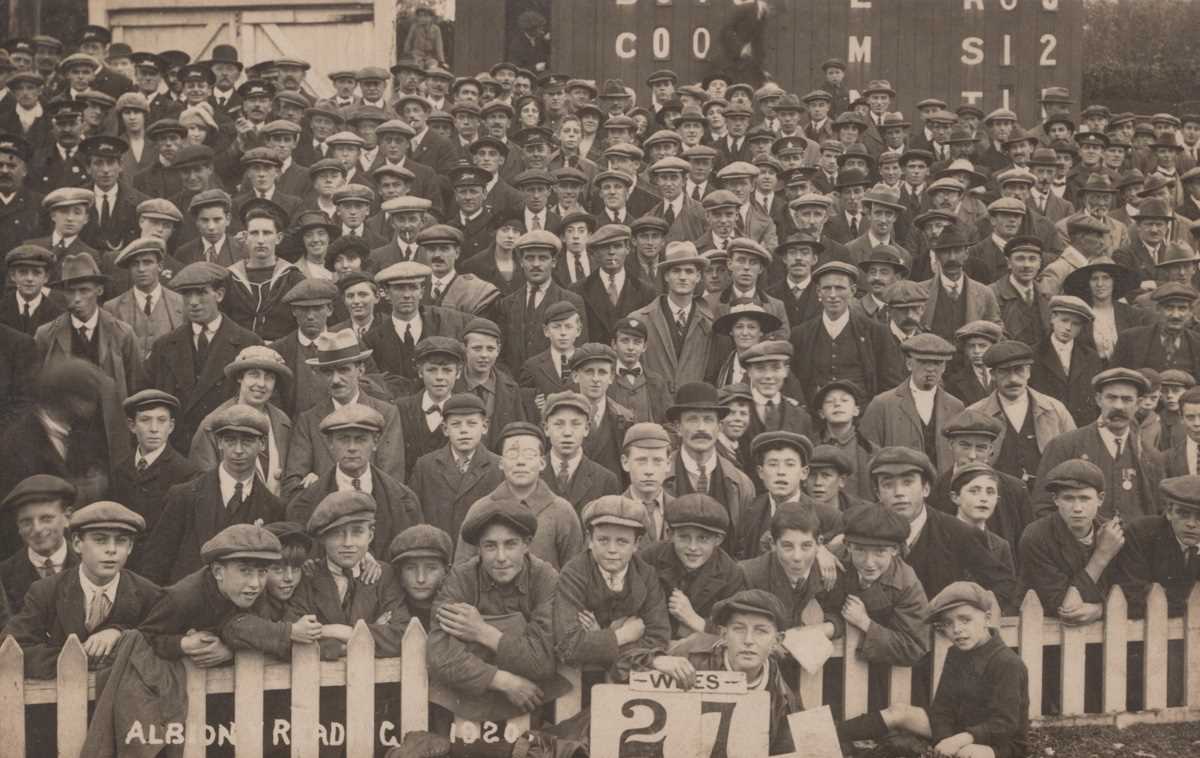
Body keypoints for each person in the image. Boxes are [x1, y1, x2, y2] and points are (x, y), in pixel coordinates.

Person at [837, 581, 1029, 758]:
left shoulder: (1007, 663)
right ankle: (830, 733)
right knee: (899, 711)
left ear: (987, 618)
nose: (956, 629)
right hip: (958, 729)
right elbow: (942, 708)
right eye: (947, 623)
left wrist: (960, 740)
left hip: (999, 743)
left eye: (965, 620)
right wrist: (944, 739)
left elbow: (1004, 724)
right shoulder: (956, 653)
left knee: (969, 754)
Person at [426, 497, 565, 722]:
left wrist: (482, 632)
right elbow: (441, 655)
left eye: (510, 544)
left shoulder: (545, 579)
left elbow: (542, 660)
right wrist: (504, 681)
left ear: (526, 544)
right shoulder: (461, 579)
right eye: (490, 546)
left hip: (531, 705)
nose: (501, 557)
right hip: (463, 707)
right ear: (479, 548)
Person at [3, 500, 161, 679]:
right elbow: (11, 647)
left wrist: (120, 633)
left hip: (124, 701)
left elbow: (162, 639)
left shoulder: (147, 592)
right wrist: (77, 657)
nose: (111, 550)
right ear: (77, 543)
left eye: (121, 541)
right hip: (60, 700)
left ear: (130, 547)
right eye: (100, 540)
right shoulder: (46, 591)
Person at [140, 403, 285, 584]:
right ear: (219, 443)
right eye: (230, 440)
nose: (238, 450)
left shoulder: (273, 507)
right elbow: (154, 566)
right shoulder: (184, 496)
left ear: (262, 444)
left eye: (247, 441)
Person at [552, 494, 672, 683]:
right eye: (603, 540)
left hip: (630, 677)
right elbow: (568, 645)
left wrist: (599, 636)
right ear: (590, 540)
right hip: (579, 678)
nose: (612, 549)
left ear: (636, 544)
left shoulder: (646, 575)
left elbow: (659, 639)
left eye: (622, 541)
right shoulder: (574, 573)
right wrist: (621, 635)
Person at [674, 590, 804, 756]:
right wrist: (657, 660)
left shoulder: (782, 692)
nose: (748, 640)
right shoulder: (694, 660)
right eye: (739, 629)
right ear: (724, 634)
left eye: (761, 631)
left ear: (776, 641)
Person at [286, 403, 423, 560]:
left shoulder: (405, 501)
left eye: (360, 439)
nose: (352, 448)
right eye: (344, 440)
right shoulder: (304, 504)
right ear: (330, 443)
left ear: (376, 442)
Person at [283, 329, 406, 502]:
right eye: (327, 372)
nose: (335, 380)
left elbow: (391, 480)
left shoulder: (386, 413)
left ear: (361, 370)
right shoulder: (309, 420)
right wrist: (317, 489)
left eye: (343, 370)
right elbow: (292, 485)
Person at [286, 490, 411, 659]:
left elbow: (402, 635)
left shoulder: (384, 575)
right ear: (322, 538)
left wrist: (341, 632)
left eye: (357, 532)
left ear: (371, 535)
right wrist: (360, 639)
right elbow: (292, 637)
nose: (348, 543)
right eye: (337, 533)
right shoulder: (308, 575)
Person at [1031, 368, 1163, 520]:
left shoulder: (1150, 456)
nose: (1118, 406)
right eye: (1111, 398)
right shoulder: (1064, 446)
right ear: (1098, 399)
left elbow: (1157, 513)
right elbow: (1043, 507)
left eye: (1127, 399)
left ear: (1138, 403)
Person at [455, 421, 583, 570]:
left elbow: (574, 573)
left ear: (542, 463)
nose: (520, 462)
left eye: (529, 454)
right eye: (512, 454)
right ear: (501, 463)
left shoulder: (562, 511)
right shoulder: (481, 509)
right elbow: (461, 572)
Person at [789, 260, 906, 408]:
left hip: (863, 418)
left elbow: (891, 386)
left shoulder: (876, 332)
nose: (833, 295)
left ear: (853, 291)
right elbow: (794, 383)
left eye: (839, 288)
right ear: (818, 292)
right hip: (815, 418)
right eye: (827, 288)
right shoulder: (801, 334)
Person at [965, 340, 1076, 488]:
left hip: (1044, 497)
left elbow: (1074, 457)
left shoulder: (1054, 410)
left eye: (1019, 370)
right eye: (1004, 371)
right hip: (996, 499)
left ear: (1029, 372)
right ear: (993, 375)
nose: (1013, 379)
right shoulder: (975, 414)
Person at [108, 389, 199, 563]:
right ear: (132, 425)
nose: (154, 429)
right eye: (145, 420)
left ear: (171, 426)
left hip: (162, 566)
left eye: (162, 421)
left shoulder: (186, 473)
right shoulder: (120, 470)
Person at [188, 344, 293, 495]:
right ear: (240, 378)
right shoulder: (213, 424)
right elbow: (202, 482)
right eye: (254, 375)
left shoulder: (282, 421)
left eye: (269, 377)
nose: (261, 384)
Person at [639, 493, 746, 639]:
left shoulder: (731, 574)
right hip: (654, 647)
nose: (693, 547)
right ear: (670, 535)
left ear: (718, 540)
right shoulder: (649, 558)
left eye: (703, 538)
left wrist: (694, 620)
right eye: (684, 537)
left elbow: (736, 632)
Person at [408, 393, 504, 553]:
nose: (464, 430)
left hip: (480, 557)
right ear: (445, 429)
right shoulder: (425, 466)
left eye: (472, 423)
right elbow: (414, 516)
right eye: (456, 424)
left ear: (485, 426)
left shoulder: (499, 467)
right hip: (437, 554)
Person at [860, 332, 965, 473]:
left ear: (944, 367)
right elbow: (867, 455)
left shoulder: (955, 407)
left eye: (937, 363)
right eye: (923, 362)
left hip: (942, 490)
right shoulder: (882, 404)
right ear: (909, 364)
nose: (931, 368)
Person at [739, 430, 843, 560]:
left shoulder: (828, 517)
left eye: (790, 465)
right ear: (761, 472)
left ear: (804, 473)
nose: (781, 472)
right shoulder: (749, 511)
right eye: (773, 464)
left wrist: (823, 551)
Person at [629, 241, 717, 391]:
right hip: (653, 407)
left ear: (698, 277)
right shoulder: (640, 320)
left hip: (693, 407)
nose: (683, 277)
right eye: (676, 271)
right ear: (666, 276)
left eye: (689, 271)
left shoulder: (710, 323)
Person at [220, 199, 305, 340]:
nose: (260, 240)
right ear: (246, 237)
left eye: (266, 233)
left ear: (278, 238)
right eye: (254, 233)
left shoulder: (293, 277)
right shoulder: (229, 278)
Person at [0, 475, 78, 612]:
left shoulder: (92, 563)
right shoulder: (4, 575)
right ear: (18, 526)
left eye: (46, 518)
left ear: (67, 518)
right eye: (26, 522)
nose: (37, 529)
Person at [102, 237, 185, 359]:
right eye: (135, 264)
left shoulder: (181, 303)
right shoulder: (112, 307)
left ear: (160, 266)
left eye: (147, 262)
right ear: (129, 269)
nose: (141, 269)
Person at [1030, 295, 1103, 426]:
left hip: (1082, 427)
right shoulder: (1034, 354)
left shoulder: (1091, 357)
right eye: (1064, 320)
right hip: (1046, 425)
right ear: (1052, 318)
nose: (1068, 328)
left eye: (1075, 324)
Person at [606, 315, 672, 424]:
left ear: (644, 347)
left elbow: (669, 422)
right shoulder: (605, 377)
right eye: (625, 341)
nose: (631, 347)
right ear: (614, 344)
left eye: (637, 342)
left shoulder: (657, 381)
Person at [386, 524, 452, 632]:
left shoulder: (454, 609)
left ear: (446, 572)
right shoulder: (390, 609)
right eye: (411, 568)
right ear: (399, 574)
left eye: (431, 568)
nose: (421, 579)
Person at [1, 245, 63, 337]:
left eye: (36, 273)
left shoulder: (58, 316)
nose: (29, 278)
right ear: (13, 276)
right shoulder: (2, 307)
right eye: (23, 272)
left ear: (46, 277)